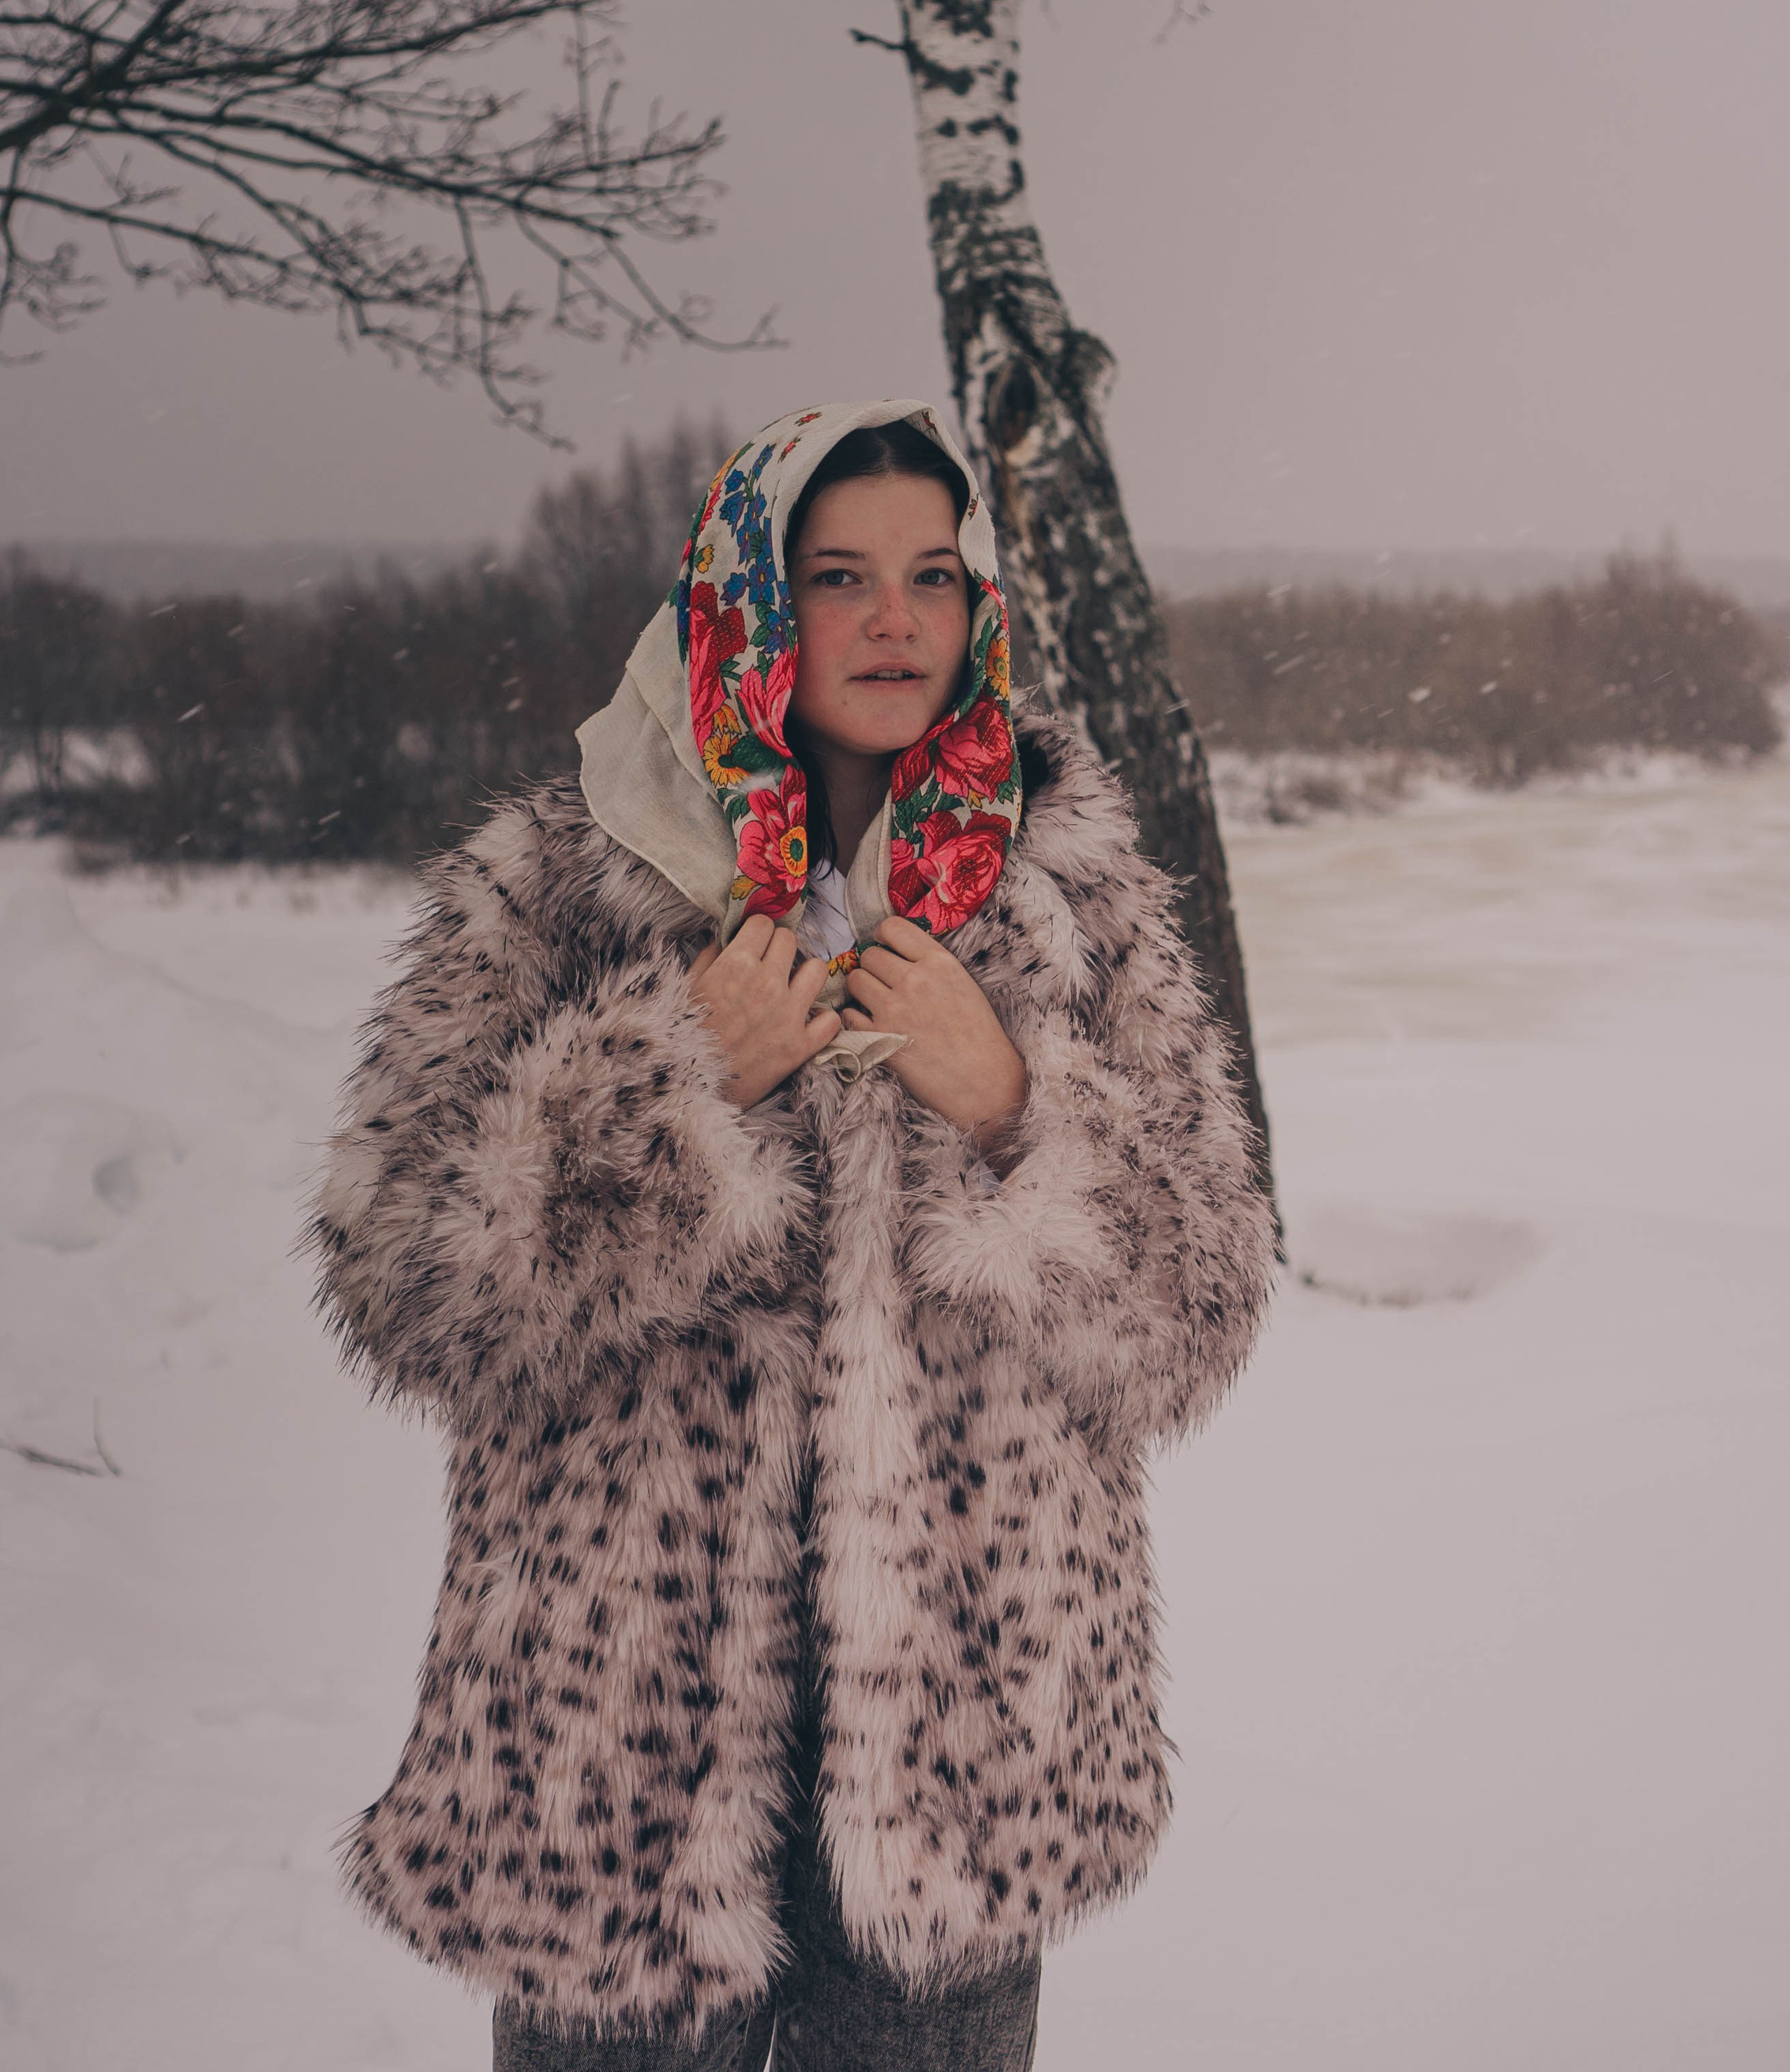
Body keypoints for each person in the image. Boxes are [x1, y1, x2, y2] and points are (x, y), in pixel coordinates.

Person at [311, 398, 1275, 2072]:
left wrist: (1011, 1108)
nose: (894, 619)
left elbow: (1197, 1309)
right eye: (837, 576)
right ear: (745, 603)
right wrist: (666, 1088)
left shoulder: (1063, 883)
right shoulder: (567, 876)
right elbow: (405, 1285)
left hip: (972, 1741)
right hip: (615, 1754)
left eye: (931, 575)